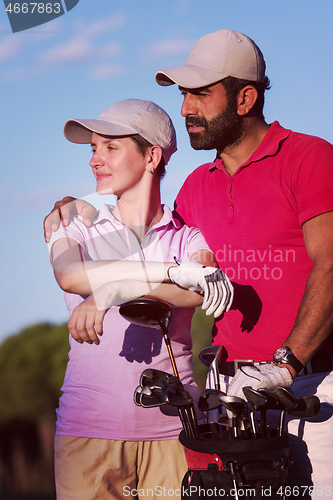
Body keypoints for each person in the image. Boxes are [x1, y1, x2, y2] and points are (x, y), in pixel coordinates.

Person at [44, 30, 333, 492]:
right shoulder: (197, 186)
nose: (185, 109)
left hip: (307, 386)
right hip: (228, 397)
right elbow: (163, 254)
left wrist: (287, 364)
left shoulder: (309, 156)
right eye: (183, 95)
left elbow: (330, 264)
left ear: (245, 97)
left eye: (200, 93)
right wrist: (71, 206)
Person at [48, 98, 233, 500]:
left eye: (109, 148)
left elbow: (195, 290)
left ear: (151, 156)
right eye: (93, 149)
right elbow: (70, 275)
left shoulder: (190, 237)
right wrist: (167, 272)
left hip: (177, 434)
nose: (95, 160)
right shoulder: (72, 222)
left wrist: (110, 289)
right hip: (87, 436)